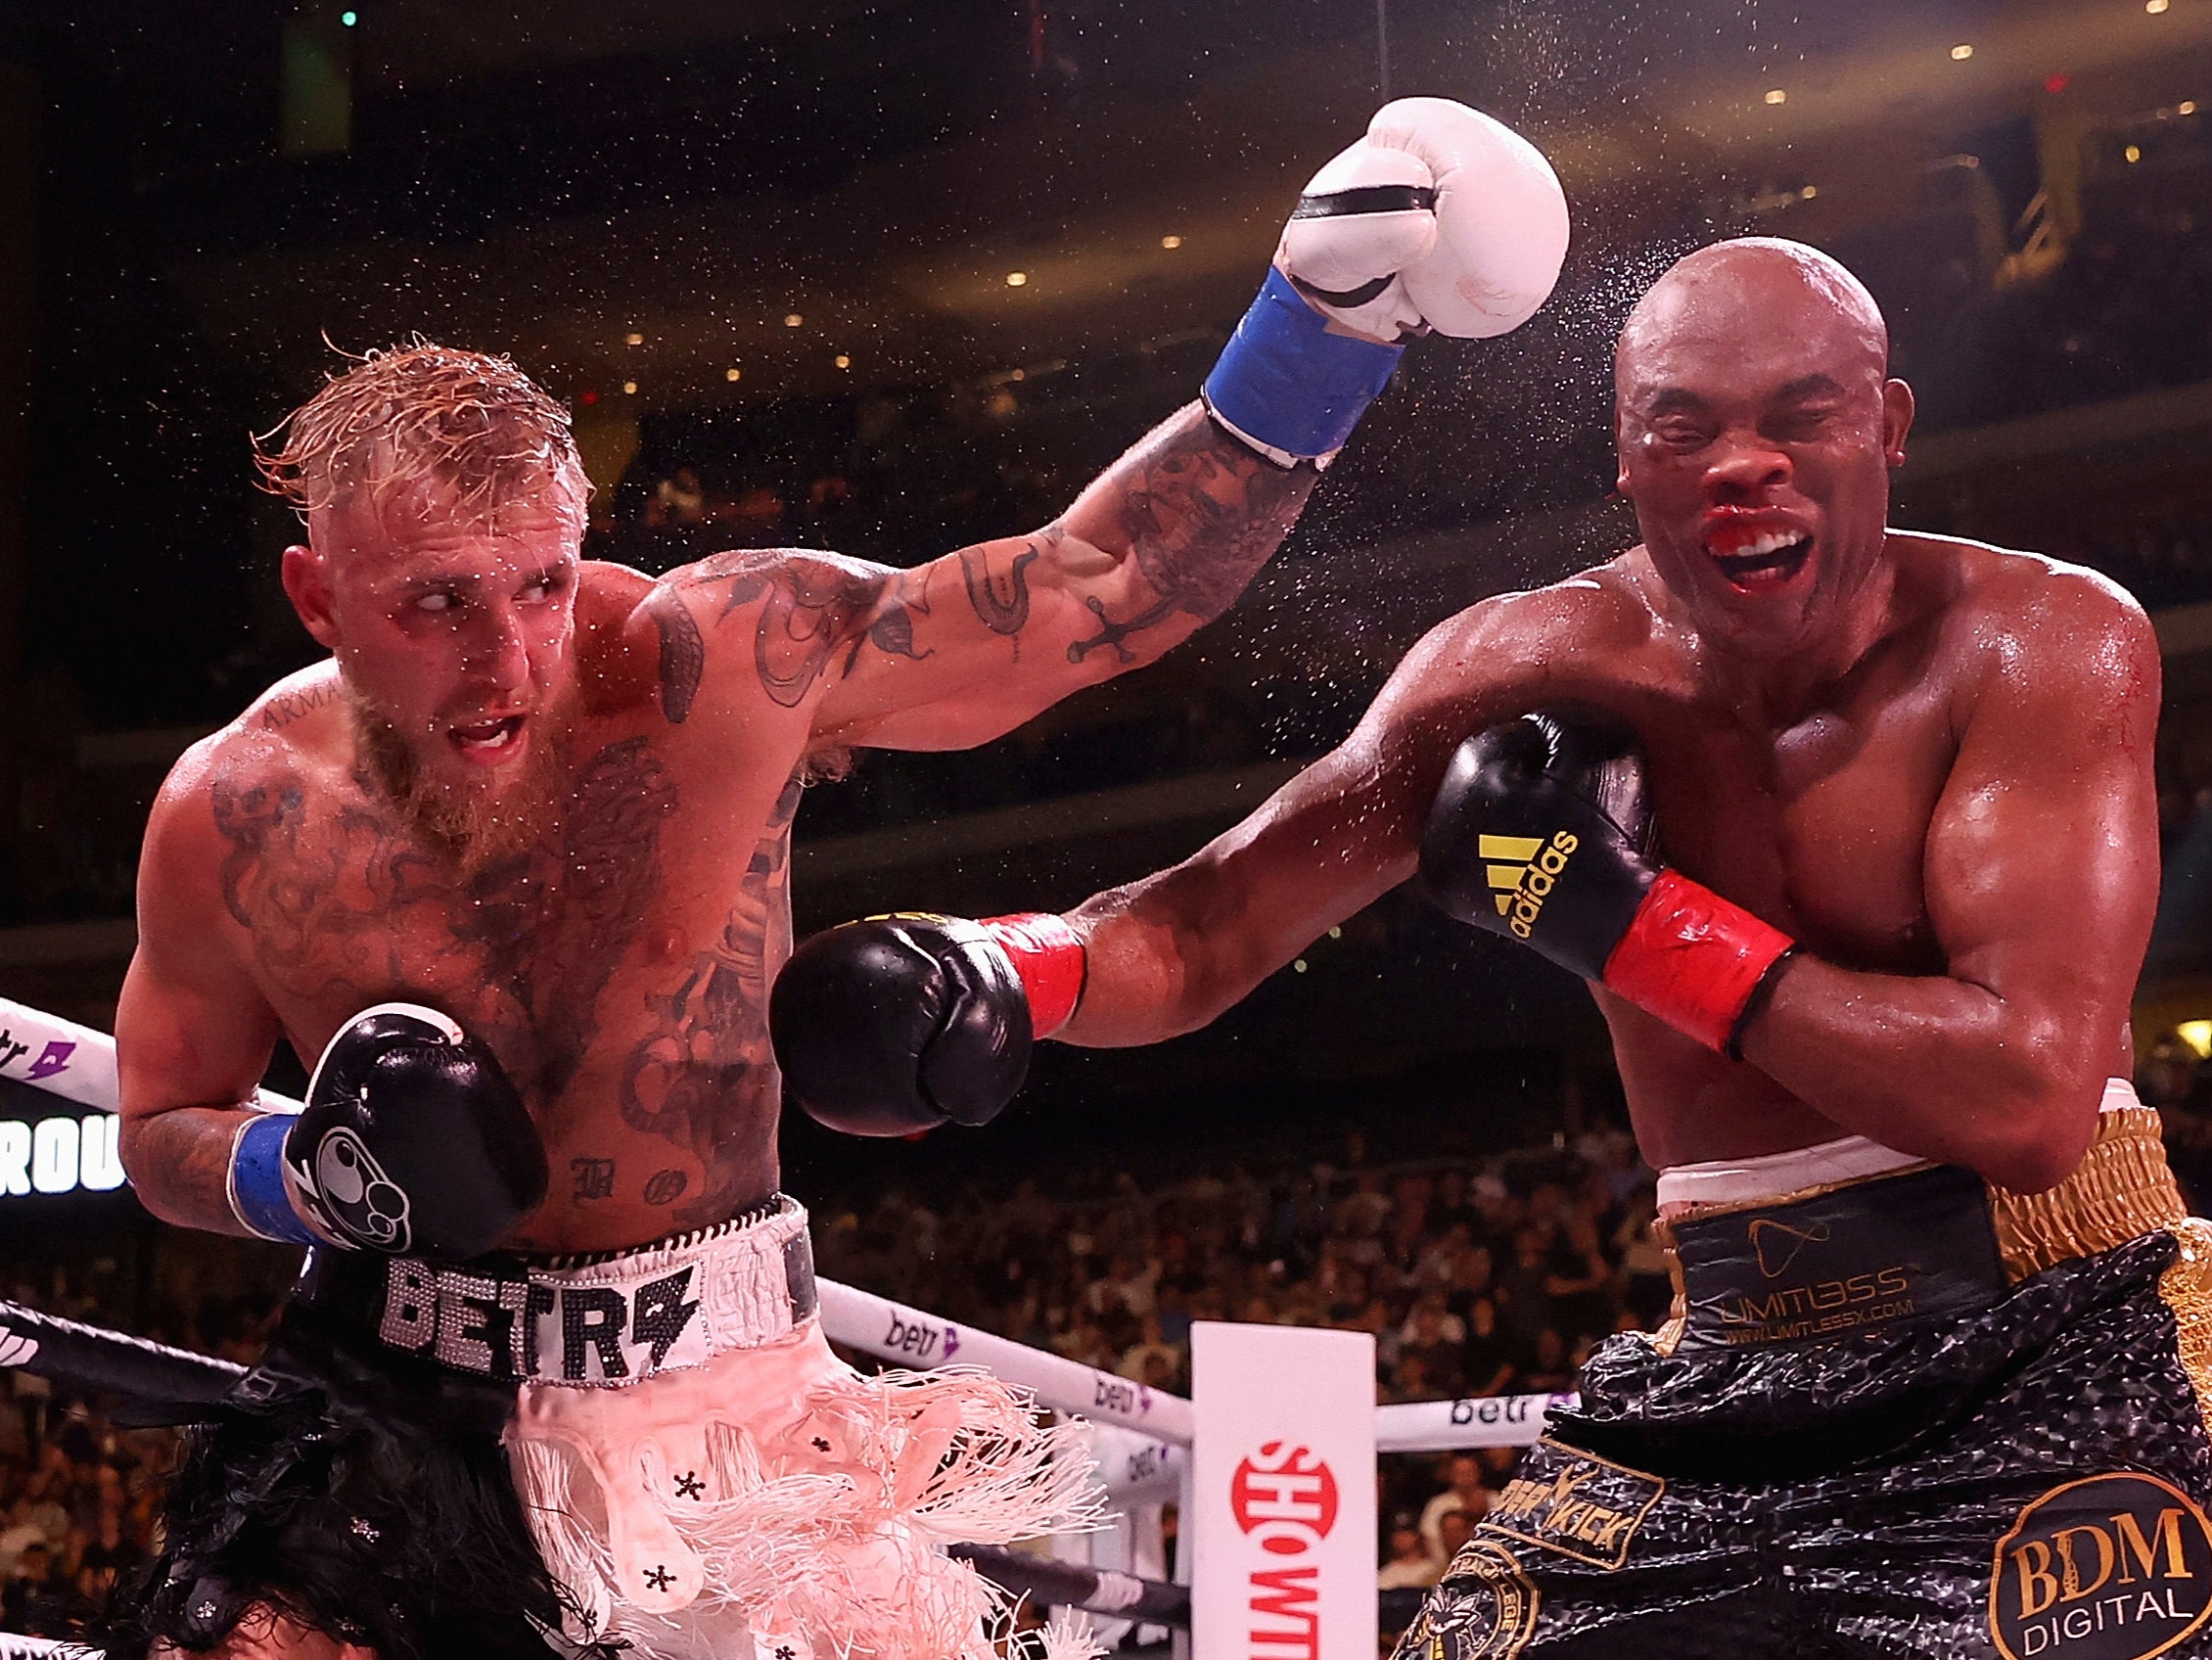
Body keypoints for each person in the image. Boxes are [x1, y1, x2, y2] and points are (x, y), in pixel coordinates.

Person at [108, 98, 1570, 1660]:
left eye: (541, 581)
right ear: (318, 596)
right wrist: (297, 1176)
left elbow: (1102, 588)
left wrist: (1326, 326)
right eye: (436, 602)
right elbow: (157, 1125)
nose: (506, 658)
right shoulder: (234, 812)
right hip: (384, 1393)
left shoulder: (727, 661)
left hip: (719, 1416)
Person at [776, 238, 2209, 1656]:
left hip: (2060, 1332)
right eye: (1685, 427)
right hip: (1728, 1358)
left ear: (1887, 425)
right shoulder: (1524, 664)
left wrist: (1637, 927)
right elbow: (1215, 918)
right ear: (1625, 462)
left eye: (1801, 415)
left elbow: (2024, 1100)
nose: (1743, 465)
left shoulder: (2039, 643)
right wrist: (1004, 970)